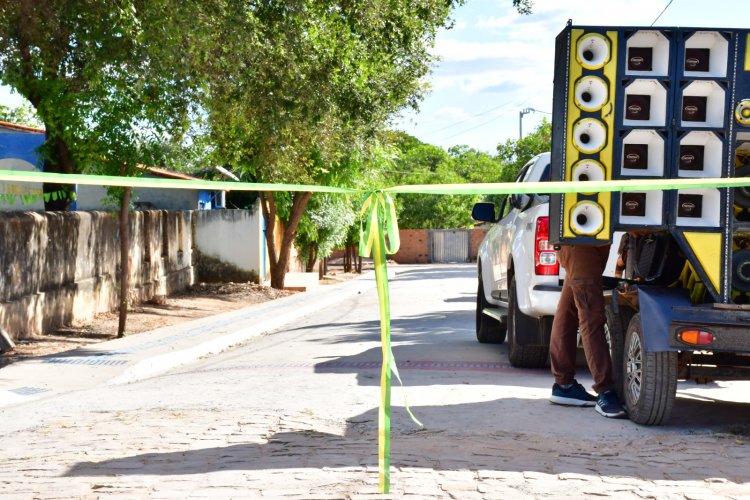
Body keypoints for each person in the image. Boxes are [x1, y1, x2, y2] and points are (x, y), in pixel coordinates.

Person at [548, 244, 627, 418]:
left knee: (568, 310)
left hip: (583, 240)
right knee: (591, 315)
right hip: (583, 243)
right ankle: (605, 391)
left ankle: (564, 386)